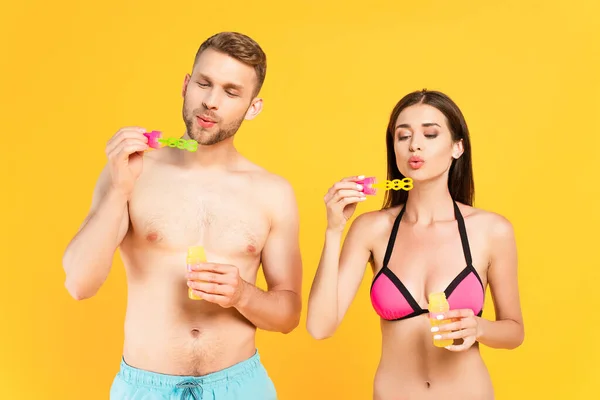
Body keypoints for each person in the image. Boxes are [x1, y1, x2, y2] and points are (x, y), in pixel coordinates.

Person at [62, 31, 302, 400]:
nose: (210, 102)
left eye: (231, 92)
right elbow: (79, 284)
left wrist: (241, 294)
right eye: (203, 84)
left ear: (253, 107)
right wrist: (119, 190)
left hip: (240, 386)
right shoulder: (132, 171)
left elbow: (287, 316)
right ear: (186, 85)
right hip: (145, 387)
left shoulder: (273, 192)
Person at [306, 89, 524, 400]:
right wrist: (333, 230)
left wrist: (478, 328)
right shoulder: (372, 229)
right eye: (402, 136)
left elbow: (514, 331)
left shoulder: (491, 230)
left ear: (458, 147)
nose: (414, 145)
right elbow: (319, 327)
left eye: (431, 134)